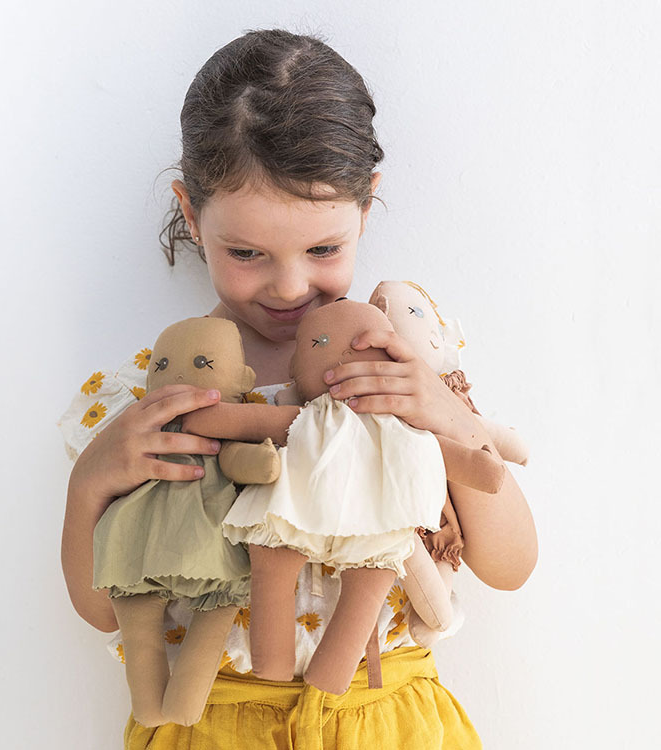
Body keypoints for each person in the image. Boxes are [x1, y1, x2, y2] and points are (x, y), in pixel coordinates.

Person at [59, 28, 537, 749]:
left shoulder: (405, 363)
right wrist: (89, 486)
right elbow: (104, 609)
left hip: (388, 718)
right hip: (212, 722)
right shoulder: (155, 394)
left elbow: (510, 567)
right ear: (191, 214)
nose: (289, 286)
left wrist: (447, 415)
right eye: (247, 252)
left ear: (366, 210)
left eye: (323, 248)